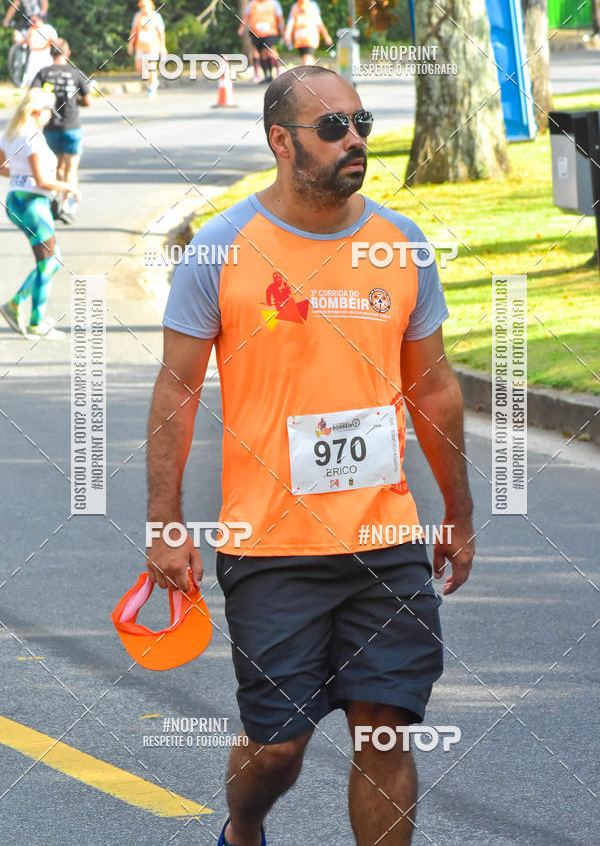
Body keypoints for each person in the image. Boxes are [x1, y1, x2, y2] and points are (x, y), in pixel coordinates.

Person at [145, 66, 475, 846]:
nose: (354, 139)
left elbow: (433, 390)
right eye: (333, 128)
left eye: (361, 122)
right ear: (282, 142)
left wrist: (458, 513)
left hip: (382, 541)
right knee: (278, 746)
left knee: (385, 729)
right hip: (270, 547)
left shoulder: (401, 246)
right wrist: (164, 521)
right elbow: (176, 392)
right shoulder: (223, 248)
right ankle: (244, 826)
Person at [0, 88, 80, 340]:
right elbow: (44, 181)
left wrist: (19, 178)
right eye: (47, 111)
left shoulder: (10, 134)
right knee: (50, 261)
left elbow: (3, 168)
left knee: (50, 259)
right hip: (33, 203)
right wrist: (69, 187)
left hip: (16, 200)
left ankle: (24, 310)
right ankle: (29, 316)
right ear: (36, 111)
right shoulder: (32, 138)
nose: (50, 116)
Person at [32, 37, 91, 224]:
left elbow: (32, 98)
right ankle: (68, 206)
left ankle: (56, 201)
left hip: (50, 128)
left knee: (57, 167)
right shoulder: (76, 73)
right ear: (68, 53)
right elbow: (88, 101)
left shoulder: (43, 74)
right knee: (71, 168)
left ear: (50, 53)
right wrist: (77, 102)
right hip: (72, 127)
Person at [238, 0, 284, 83]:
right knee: (262, 54)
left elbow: (279, 17)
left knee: (269, 51)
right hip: (256, 33)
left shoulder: (273, 3)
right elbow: (247, 17)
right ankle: (267, 75)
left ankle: (277, 72)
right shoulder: (252, 3)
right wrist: (241, 28)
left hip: (270, 32)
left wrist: (282, 30)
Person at [128, 0, 166, 98]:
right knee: (140, 69)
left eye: (144, 6)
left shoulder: (156, 16)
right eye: (141, 6)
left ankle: (152, 88)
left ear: (150, 6)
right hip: (140, 46)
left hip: (153, 46)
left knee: (151, 67)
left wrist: (162, 47)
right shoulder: (137, 16)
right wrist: (130, 44)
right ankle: (150, 83)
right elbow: (134, 31)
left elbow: (161, 32)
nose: (142, 8)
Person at [285, 0, 332, 66]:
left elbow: (319, 22)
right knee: (306, 58)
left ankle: (309, 76)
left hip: (311, 38)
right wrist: (287, 35)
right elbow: (291, 22)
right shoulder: (295, 7)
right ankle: (316, 74)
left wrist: (326, 36)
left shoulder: (312, 6)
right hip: (300, 39)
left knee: (307, 59)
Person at [17, 14, 58, 86]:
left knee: (49, 74)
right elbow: (27, 41)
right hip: (34, 55)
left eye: (34, 20)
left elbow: (55, 41)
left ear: (40, 20)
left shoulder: (48, 28)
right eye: (32, 21)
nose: (33, 22)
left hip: (46, 54)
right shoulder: (31, 30)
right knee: (32, 75)